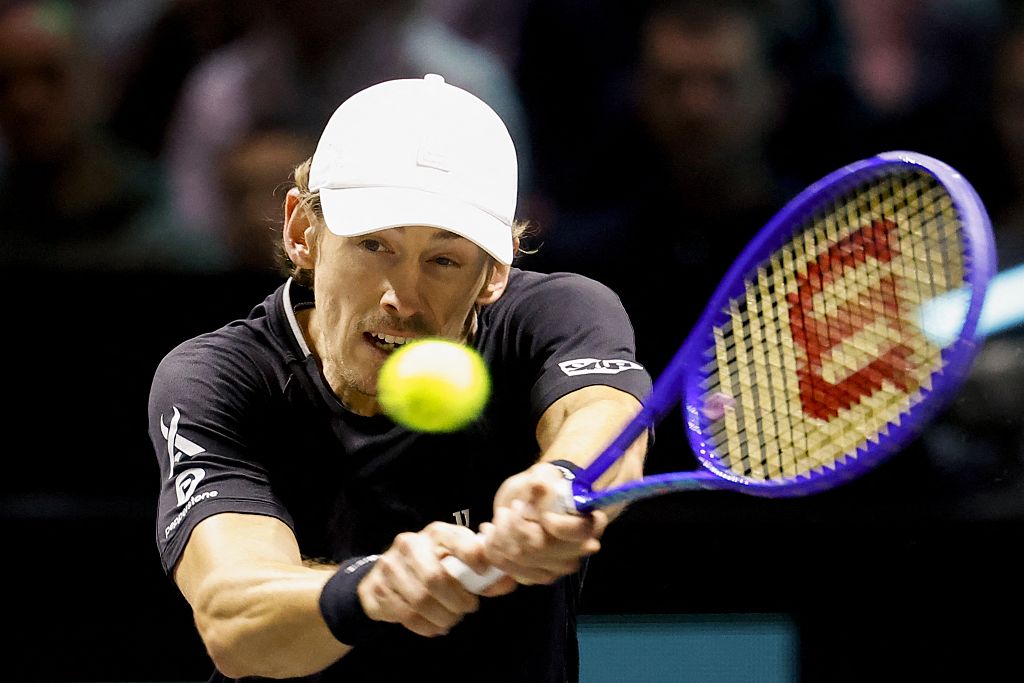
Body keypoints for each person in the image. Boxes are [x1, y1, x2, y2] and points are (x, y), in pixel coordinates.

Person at [147, 74, 651, 682]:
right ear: (303, 232)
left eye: (443, 260)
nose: (401, 299)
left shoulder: (557, 315)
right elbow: (236, 622)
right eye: (373, 245)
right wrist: (372, 589)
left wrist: (563, 479)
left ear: (493, 274)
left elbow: (601, 414)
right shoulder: (217, 379)